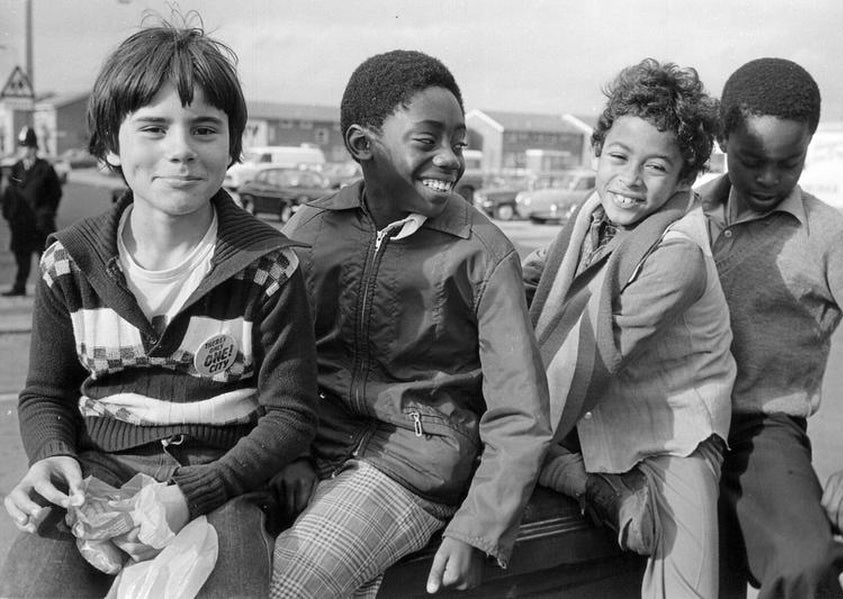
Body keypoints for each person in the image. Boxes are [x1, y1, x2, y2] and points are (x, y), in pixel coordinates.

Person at [0, 20, 319, 598]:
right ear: (108, 146)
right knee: (33, 587)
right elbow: (46, 393)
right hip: (98, 473)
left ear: (232, 147)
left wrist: (193, 494)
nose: (180, 150)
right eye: (153, 127)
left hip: (225, 482)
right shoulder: (67, 264)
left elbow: (290, 415)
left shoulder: (269, 268)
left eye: (204, 129)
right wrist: (50, 457)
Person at [269, 49, 552, 598]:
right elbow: (280, 362)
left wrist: (477, 528)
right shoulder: (309, 230)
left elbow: (520, 413)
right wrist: (292, 453)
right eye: (427, 140)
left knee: (290, 586)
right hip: (313, 447)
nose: (449, 158)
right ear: (361, 145)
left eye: (459, 141)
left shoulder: (483, 255)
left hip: (411, 467)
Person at [524, 58, 734, 598]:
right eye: (619, 156)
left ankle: (579, 477)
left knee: (686, 586)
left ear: (686, 177)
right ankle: (590, 484)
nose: (630, 180)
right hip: (594, 415)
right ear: (598, 149)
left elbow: (592, 358)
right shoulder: (591, 213)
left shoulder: (678, 254)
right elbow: (536, 279)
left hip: (669, 433)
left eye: (656, 168)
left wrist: (508, 444)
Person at [698, 57, 843, 598]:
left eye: (789, 163)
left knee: (805, 566)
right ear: (722, 138)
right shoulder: (681, 214)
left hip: (758, 437)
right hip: (661, 430)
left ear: (810, 143)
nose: (769, 178)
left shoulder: (830, 238)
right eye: (751, 160)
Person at [1, 125, 63, 296]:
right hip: (21, 223)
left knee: (45, 258)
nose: (24, 150)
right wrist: (10, 216)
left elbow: (56, 193)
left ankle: (50, 292)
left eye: (27, 146)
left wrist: (47, 212)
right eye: (22, 146)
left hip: (41, 222)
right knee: (22, 256)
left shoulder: (45, 168)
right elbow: (9, 194)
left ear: (35, 147)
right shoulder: (16, 168)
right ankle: (19, 286)